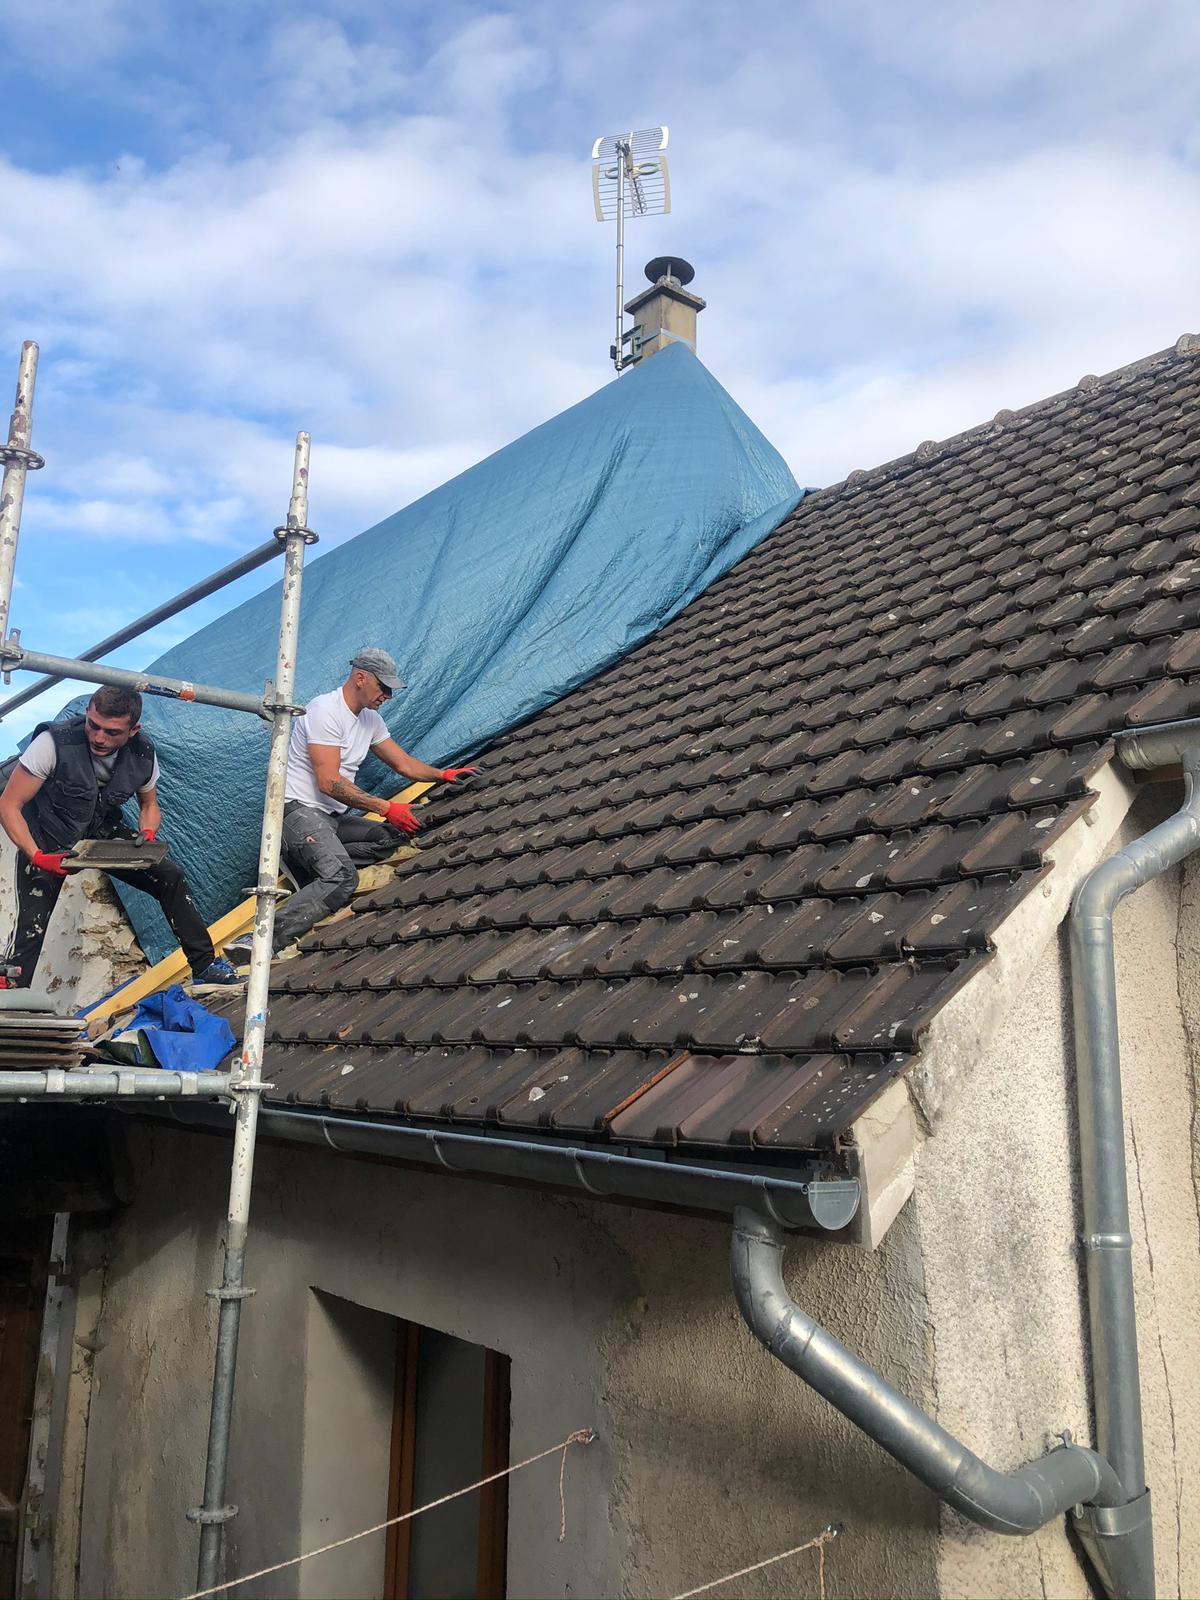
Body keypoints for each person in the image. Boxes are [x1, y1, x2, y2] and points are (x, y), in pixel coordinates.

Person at [226, 648, 476, 961]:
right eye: (383, 687)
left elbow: (404, 764)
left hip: (332, 820)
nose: (387, 696)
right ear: (360, 678)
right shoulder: (324, 710)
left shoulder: (371, 720)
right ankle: (260, 939)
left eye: (390, 690)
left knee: (393, 837)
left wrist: (444, 774)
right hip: (296, 813)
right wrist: (387, 808)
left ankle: (317, 866)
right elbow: (329, 782)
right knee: (342, 877)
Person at [0, 686, 239, 988]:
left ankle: (204, 966)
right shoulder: (53, 742)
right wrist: (36, 855)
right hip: (48, 838)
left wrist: (147, 832)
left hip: (101, 832)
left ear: (132, 730)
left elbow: (149, 805)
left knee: (169, 876)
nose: (99, 737)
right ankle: (13, 995)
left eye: (112, 732)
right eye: (93, 725)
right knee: (31, 926)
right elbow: (9, 804)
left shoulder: (142, 752)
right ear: (87, 714)